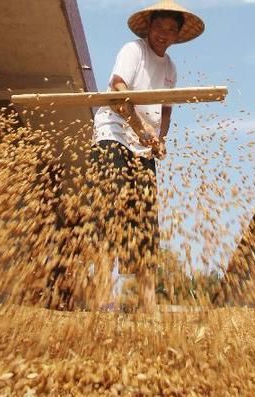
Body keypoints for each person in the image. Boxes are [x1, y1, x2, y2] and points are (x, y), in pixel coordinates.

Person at [88, 0, 205, 312]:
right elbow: (116, 90)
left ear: (178, 35)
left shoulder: (170, 69)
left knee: (145, 224)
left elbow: (166, 108)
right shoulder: (133, 51)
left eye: (171, 30)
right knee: (110, 216)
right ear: (148, 28)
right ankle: (102, 301)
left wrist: (161, 139)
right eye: (159, 27)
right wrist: (139, 129)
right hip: (114, 136)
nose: (163, 34)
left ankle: (147, 304)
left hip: (143, 146)